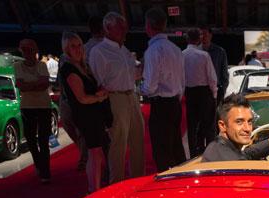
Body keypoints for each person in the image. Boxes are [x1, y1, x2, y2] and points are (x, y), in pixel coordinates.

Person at [89, 12, 145, 183]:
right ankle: (117, 183)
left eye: (125, 28)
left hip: (131, 96)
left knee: (138, 140)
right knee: (118, 144)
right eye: (121, 28)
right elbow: (97, 82)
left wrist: (142, 68)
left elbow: (131, 75)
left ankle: (137, 181)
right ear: (107, 28)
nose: (125, 31)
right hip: (115, 98)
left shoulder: (124, 50)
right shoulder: (99, 52)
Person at [59, 32, 110, 193]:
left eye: (79, 45)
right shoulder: (69, 69)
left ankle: (95, 187)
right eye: (73, 46)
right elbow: (81, 98)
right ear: (66, 49)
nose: (77, 49)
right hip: (86, 116)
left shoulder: (81, 66)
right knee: (94, 152)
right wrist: (99, 97)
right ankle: (93, 189)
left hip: (93, 114)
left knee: (96, 152)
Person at [140, 7, 185, 172]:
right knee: (176, 146)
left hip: (161, 105)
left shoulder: (153, 50)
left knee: (161, 149)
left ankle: (165, 187)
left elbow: (150, 86)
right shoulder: (176, 49)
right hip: (174, 103)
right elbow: (182, 81)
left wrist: (140, 89)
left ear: (148, 26)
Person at [202, 94, 269, 162]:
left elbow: (247, 153)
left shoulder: (221, 147)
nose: (247, 129)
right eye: (239, 122)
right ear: (222, 126)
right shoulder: (232, 163)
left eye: (250, 121)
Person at [13, 39, 52, 183]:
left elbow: (44, 84)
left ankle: (45, 173)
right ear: (21, 50)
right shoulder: (17, 66)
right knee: (30, 139)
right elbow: (21, 86)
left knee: (43, 138)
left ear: (35, 50)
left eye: (30, 49)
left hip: (44, 106)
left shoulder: (42, 65)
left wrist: (29, 85)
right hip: (27, 106)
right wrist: (36, 83)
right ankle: (40, 165)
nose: (28, 52)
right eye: (24, 49)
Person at [183, 27, 219, 158]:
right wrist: (214, 95)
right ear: (199, 39)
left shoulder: (182, 55)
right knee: (208, 125)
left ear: (187, 39)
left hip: (189, 92)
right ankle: (209, 153)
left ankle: (193, 154)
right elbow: (212, 78)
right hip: (205, 93)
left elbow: (180, 77)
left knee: (192, 126)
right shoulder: (204, 55)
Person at [200, 26, 229, 105]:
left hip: (217, 90)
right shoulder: (196, 51)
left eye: (205, 34)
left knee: (215, 116)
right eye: (200, 34)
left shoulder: (220, 51)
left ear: (210, 35)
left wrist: (223, 90)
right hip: (200, 91)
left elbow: (224, 72)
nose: (202, 36)